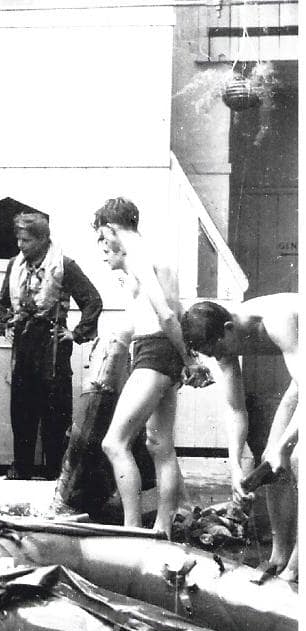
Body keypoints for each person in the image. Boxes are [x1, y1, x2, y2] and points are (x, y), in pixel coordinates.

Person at [93, 197, 209, 536]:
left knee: (113, 443)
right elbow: (174, 305)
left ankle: (132, 529)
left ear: (112, 229)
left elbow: (167, 312)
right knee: (160, 445)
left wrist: (189, 358)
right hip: (164, 350)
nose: (105, 244)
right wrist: (184, 355)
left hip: (155, 348)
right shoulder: (156, 253)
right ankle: (161, 531)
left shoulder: (138, 255)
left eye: (104, 236)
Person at [182, 296, 299, 582]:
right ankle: (279, 556)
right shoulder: (221, 345)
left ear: (229, 328)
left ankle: (297, 565)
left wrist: (285, 447)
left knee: (297, 459)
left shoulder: (278, 320)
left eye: (218, 350)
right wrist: (235, 466)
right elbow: (236, 409)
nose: (219, 357)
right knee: (271, 462)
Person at [0, 212, 103, 480]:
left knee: (55, 413)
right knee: (21, 410)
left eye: (27, 240)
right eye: (18, 239)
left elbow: (92, 300)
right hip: (24, 344)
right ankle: (22, 469)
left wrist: (76, 334)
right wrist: (7, 322)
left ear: (43, 239)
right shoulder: (14, 265)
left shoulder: (64, 265)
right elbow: (2, 300)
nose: (20, 245)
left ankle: (55, 473)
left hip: (52, 346)